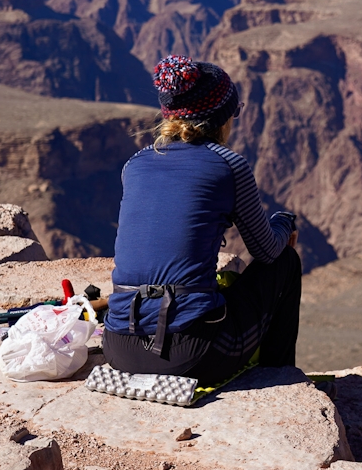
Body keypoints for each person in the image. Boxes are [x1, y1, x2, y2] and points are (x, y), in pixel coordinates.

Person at [102, 54, 300, 384]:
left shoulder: (134, 165)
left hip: (119, 349)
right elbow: (266, 252)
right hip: (191, 356)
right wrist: (283, 223)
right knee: (285, 263)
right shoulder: (229, 166)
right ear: (222, 118)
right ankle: (279, 378)